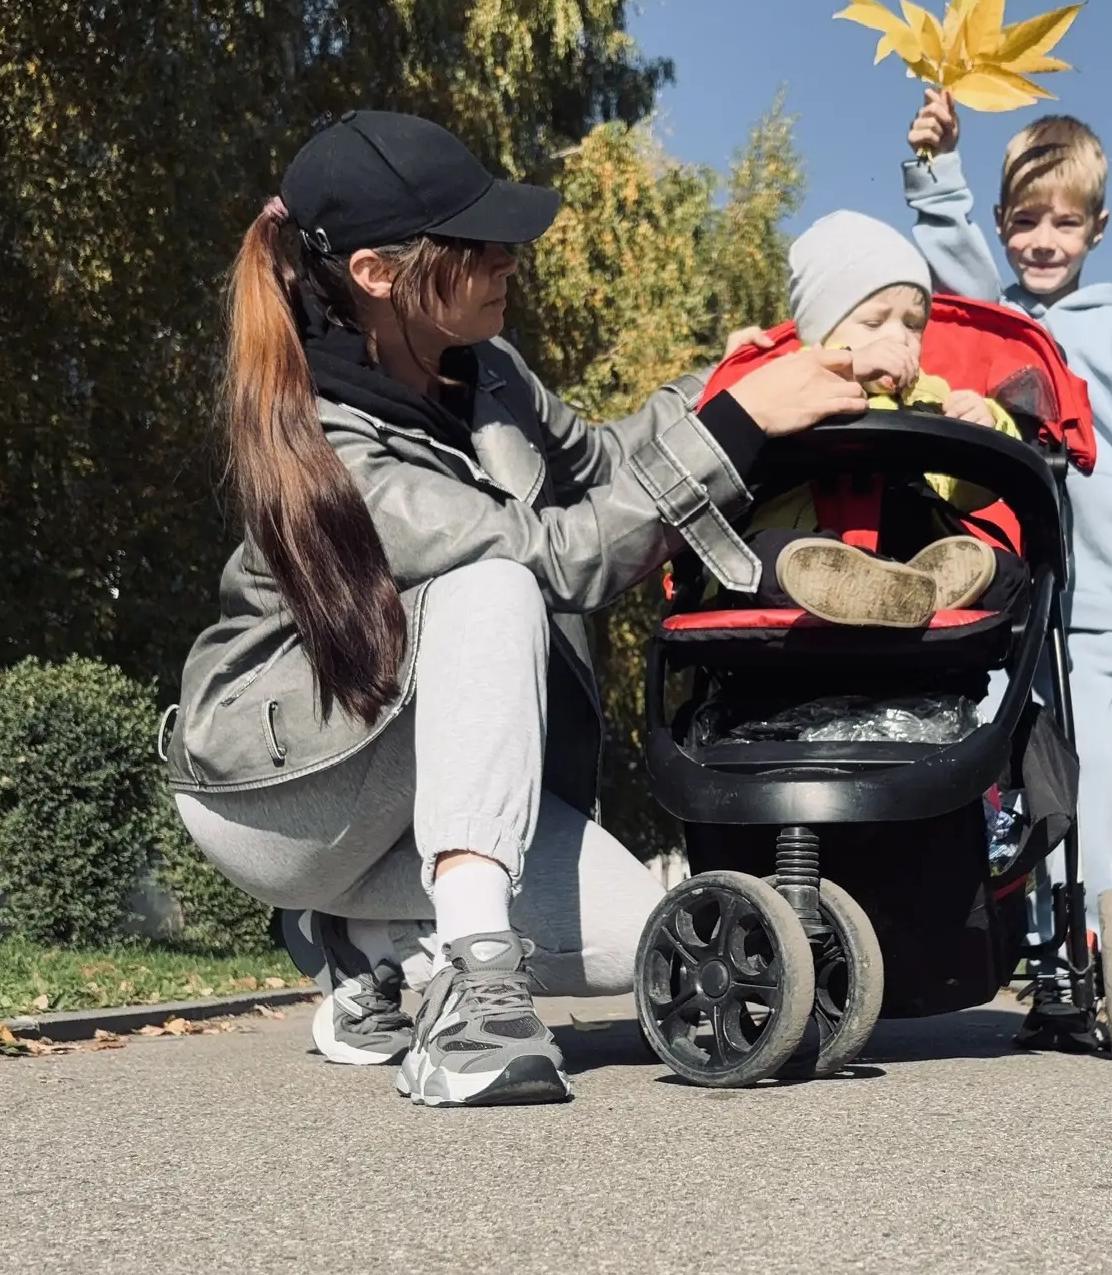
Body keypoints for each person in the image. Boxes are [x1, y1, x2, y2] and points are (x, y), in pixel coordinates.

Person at [164, 110, 871, 1107]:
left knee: (639, 939)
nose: (508, 258)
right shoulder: (327, 436)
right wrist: (734, 428)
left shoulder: (484, 366)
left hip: (402, 781)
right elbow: (556, 557)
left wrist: (725, 384)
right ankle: (473, 998)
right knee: (493, 582)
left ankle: (368, 946)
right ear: (376, 272)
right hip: (285, 797)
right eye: (476, 243)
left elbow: (603, 466)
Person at [902, 87, 1112, 1054]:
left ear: (1097, 227)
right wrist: (936, 170)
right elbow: (959, 273)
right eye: (1023, 220)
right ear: (1002, 222)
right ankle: (1068, 969)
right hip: (1067, 616)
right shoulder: (1008, 333)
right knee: (1072, 802)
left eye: (1063, 221)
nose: (1041, 240)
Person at [728, 210, 1030, 627]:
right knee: (763, 560)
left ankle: (909, 588)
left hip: (907, 548)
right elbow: (743, 425)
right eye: (873, 322)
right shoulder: (792, 374)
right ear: (820, 331)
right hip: (806, 542)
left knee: (1004, 571)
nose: (899, 337)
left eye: (914, 325)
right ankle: (861, 585)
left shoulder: (931, 397)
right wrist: (849, 365)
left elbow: (964, 493)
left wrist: (988, 425)